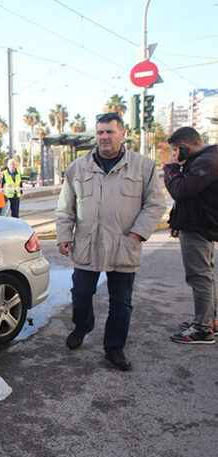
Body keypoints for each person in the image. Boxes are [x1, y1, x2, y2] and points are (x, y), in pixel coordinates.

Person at [56, 112, 166, 371]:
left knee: (122, 301)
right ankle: (83, 325)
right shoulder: (77, 168)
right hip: (87, 244)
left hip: (123, 245)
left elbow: (156, 203)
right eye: (100, 132)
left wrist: (137, 234)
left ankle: (114, 348)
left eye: (110, 132)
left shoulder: (143, 166)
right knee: (81, 294)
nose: (104, 137)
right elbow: (65, 208)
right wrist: (63, 236)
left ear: (123, 133)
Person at [163, 126, 218, 344]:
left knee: (199, 276)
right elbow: (188, 197)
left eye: (176, 150)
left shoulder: (206, 162)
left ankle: (203, 329)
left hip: (198, 228)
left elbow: (180, 191)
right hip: (198, 223)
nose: (175, 154)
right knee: (206, 274)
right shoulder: (205, 159)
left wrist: (172, 169)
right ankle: (209, 320)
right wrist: (176, 221)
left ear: (185, 147)